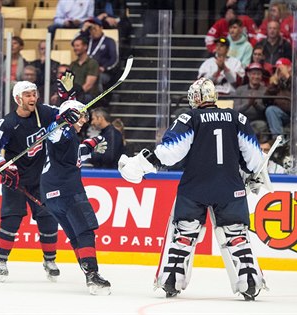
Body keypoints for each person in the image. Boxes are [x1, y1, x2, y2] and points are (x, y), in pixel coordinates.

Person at [118, 77, 267, 301]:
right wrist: (252, 174)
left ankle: (172, 281)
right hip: (230, 186)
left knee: (185, 234)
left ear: (196, 98)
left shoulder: (190, 117)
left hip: (195, 186)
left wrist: (141, 163)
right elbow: (255, 159)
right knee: (236, 235)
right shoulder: (238, 118)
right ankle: (250, 283)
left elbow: (170, 152)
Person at [0, 80, 81, 282]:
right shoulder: (8, 123)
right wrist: (3, 165)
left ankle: (50, 260)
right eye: (27, 95)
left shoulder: (43, 112)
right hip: (15, 180)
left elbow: (65, 114)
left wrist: (68, 99)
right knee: (11, 220)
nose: (32, 98)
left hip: (41, 179)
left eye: (34, 94)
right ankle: (0, 261)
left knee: (48, 218)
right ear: (18, 98)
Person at [40, 99, 111, 295]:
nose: (84, 120)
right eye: (81, 116)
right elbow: (54, 134)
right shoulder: (64, 130)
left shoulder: (70, 137)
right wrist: (61, 120)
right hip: (68, 191)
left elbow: (73, 153)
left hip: (50, 195)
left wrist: (92, 143)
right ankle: (92, 275)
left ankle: (88, 272)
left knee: (76, 236)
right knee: (86, 231)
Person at [78, 17, 119, 91]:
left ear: (101, 28)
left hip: (102, 72)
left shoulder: (109, 41)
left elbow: (114, 59)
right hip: (86, 71)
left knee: (97, 78)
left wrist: (104, 67)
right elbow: (76, 43)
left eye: (95, 29)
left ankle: (99, 100)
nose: (93, 31)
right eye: (90, 29)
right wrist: (83, 30)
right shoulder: (87, 41)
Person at [233, 62, 268, 139]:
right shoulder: (240, 90)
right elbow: (235, 110)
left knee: (262, 125)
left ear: (261, 76)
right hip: (242, 121)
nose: (256, 76)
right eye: (253, 74)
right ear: (248, 74)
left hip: (259, 121)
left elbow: (266, 111)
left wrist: (255, 104)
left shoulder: (266, 91)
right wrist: (248, 104)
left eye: (258, 74)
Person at [70, 36, 100, 103]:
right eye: (74, 46)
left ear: (85, 47)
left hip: (88, 95)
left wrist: (75, 96)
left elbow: (88, 85)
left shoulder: (92, 63)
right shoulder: (73, 64)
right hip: (75, 95)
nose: (75, 48)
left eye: (77, 46)